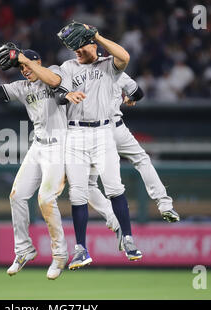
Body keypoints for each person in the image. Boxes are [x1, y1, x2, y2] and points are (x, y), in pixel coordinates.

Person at [0, 46, 84, 280]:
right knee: (17, 196)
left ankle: (60, 255)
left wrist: (24, 59)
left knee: (46, 199)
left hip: (59, 144)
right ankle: (23, 250)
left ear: (37, 61)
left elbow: (55, 83)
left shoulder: (52, 71)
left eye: (27, 65)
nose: (24, 70)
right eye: (20, 68)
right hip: (38, 145)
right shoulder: (23, 86)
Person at [56, 22, 142, 270]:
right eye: (74, 48)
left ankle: (128, 238)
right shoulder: (67, 67)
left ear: (93, 44)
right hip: (76, 132)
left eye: (81, 45)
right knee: (78, 193)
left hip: (104, 131)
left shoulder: (108, 66)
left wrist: (96, 35)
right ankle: (81, 249)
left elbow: (124, 56)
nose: (77, 51)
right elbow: (57, 90)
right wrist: (65, 95)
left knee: (115, 187)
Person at [88, 72, 180, 238]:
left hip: (96, 132)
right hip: (117, 128)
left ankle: (112, 218)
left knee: (88, 184)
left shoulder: (78, 72)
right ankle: (164, 204)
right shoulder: (114, 69)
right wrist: (130, 99)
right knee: (142, 160)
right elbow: (138, 93)